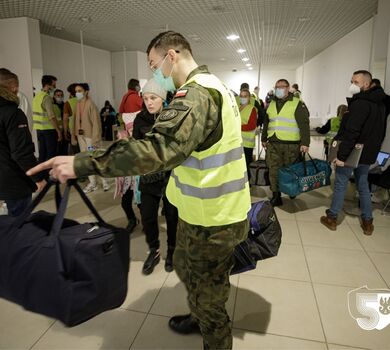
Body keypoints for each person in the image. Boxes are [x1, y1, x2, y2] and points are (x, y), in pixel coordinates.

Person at [27, 31, 251, 350]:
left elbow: (156, 150)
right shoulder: (218, 86)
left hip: (213, 219)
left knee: (211, 294)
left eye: (153, 64)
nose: (154, 74)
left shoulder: (196, 95)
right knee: (199, 278)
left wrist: (85, 162)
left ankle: (213, 333)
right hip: (206, 210)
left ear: (171, 56)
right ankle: (199, 314)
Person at [320, 70, 386, 235]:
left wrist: (341, 156)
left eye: (355, 82)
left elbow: (352, 132)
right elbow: (380, 133)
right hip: (367, 154)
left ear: (366, 84)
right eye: (351, 81)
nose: (352, 85)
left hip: (352, 152)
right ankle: (368, 221)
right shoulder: (381, 105)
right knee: (363, 184)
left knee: (341, 183)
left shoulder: (360, 103)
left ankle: (332, 217)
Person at [133, 78, 178, 275]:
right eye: (146, 98)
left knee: (172, 217)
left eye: (153, 98)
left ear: (162, 99)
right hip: (149, 176)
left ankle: (172, 251)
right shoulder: (140, 119)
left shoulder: (172, 117)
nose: (149, 102)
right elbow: (136, 145)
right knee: (148, 217)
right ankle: (154, 250)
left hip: (169, 176)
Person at [0, 69, 46, 216]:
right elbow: (21, 152)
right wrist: (38, 178)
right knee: (18, 226)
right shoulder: (12, 113)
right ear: (13, 87)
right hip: (13, 181)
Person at [261, 78, 310, 206]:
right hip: (273, 142)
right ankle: (276, 196)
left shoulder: (297, 103)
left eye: (282, 87)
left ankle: (292, 190)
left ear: (288, 88)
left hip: (291, 144)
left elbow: (304, 124)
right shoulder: (271, 103)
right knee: (274, 170)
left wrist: (305, 143)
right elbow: (267, 122)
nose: (279, 89)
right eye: (277, 87)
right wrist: (264, 138)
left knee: (290, 170)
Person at [72, 83, 109, 193]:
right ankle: (93, 183)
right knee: (85, 160)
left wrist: (95, 140)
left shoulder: (91, 105)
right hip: (81, 137)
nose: (77, 93)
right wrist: (74, 136)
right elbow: (75, 121)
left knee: (96, 159)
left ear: (86, 91)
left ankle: (104, 181)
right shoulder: (77, 105)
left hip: (90, 138)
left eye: (79, 90)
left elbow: (96, 124)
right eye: (76, 91)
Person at [32, 75, 62, 163]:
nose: (55, 87)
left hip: (39, 130)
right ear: (48, 85)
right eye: (54, 85)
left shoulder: (37, 96)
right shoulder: (46, 97)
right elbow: (51, 116)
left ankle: (42, 175)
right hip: (49, 130)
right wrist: (58, 130)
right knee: (51, 154)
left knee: (42, 153)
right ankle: (50, 174)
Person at [239, 88, 257, 180]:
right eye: (241, 96)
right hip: (237, 142)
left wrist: (237, 127)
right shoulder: (238, 107)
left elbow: (252, 126)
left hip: (247, 143)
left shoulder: (252, 109)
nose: (243, 98)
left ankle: (248, 182)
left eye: (245, 96)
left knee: (246, 163)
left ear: (249, 97)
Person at [63, 83, 79, 154]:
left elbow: (65, 119)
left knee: (76, 150)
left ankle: (79, 163)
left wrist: (65, 132)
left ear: (70, 92)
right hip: (87, 130)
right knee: (88, 148)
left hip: (74, 132)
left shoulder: (68, 103)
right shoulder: (86, 101)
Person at [53, 89, 68, 155]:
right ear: (54, 96)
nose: (60, 97)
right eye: (58, 95)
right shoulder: (52, 106)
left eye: (61, 95)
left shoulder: (65, 105)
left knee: (65, 148)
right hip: (56, 130)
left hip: (65, 129)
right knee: (57, 150)